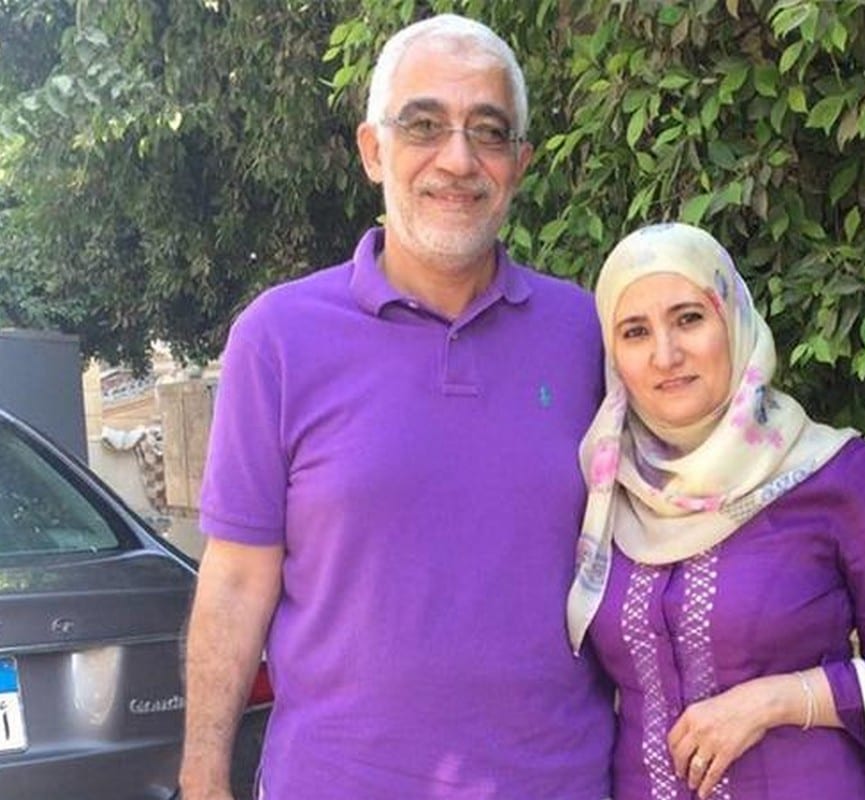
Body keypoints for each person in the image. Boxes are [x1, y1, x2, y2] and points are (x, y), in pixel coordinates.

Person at [179, 14, 615, 800]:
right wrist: (205, 777)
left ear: (519, 163)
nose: (458, 159)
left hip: (557, 783)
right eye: (423, 125)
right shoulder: (277, 338)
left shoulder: (588, 334)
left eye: (489, 132)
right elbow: (238, 580)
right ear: (372, 150)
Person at [566, 222, 865, 799]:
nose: (665, 354)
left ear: (733, 320)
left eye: (689, 318)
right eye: (635, 331)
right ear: (613, 355)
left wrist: (776, 701)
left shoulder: (833, 473)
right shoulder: (604, 486)